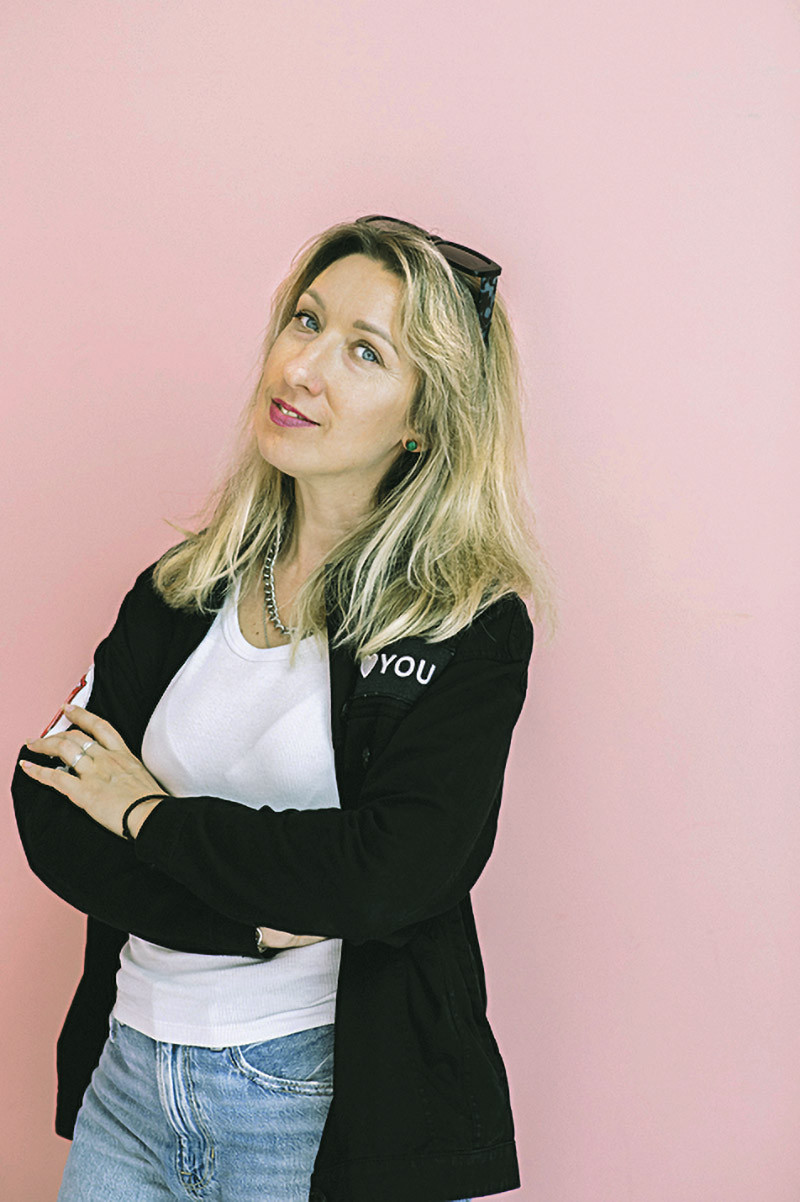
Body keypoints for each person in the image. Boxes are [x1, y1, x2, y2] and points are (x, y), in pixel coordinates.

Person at [12, 214, 557, 1202]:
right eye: (305, 320)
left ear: (424, 420)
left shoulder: (464, 627)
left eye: (364, 351)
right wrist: (251, 926)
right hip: (129, 1083)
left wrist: (147, 815)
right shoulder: (181, 587)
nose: (302, 368)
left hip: (314, 1100)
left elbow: (391, 874)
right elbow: (50, 797)